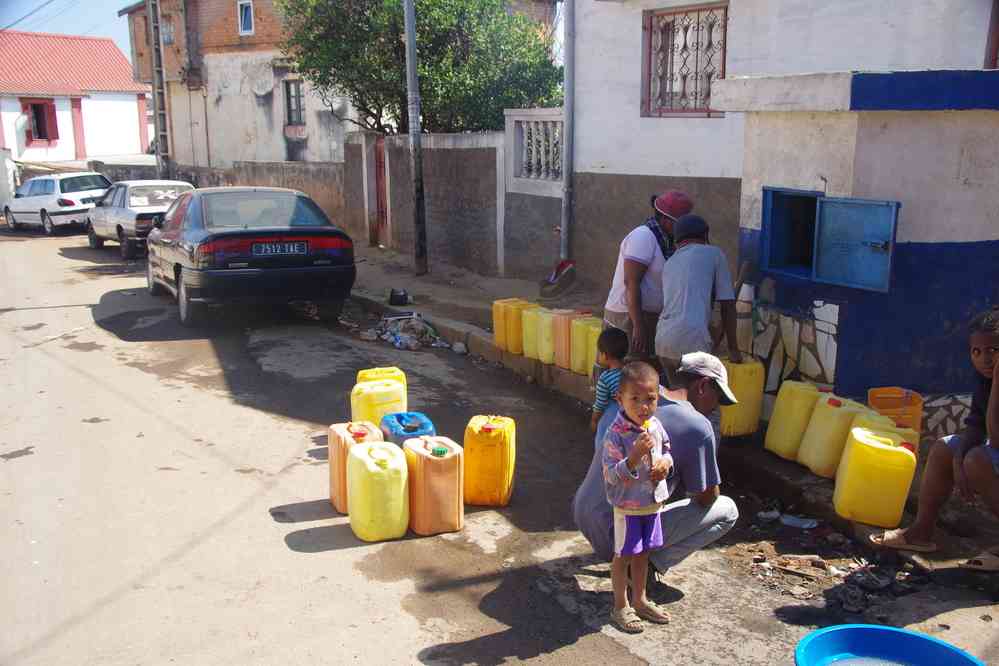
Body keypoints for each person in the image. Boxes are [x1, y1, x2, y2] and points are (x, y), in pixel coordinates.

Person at [572, 351, 740, 577]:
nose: (715, 408)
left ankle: (635, 562)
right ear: (703, 386)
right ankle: (644, 566)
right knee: (727, 509)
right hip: (615, 535)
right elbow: (707, 497)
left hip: (585, 515)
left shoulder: (635, 398)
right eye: (717, 398)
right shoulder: (698, 426)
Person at [870, 307, 999, 571]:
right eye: (976, 351)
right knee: (944, 448)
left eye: (993, 350)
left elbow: (995, 439)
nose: (984, 359)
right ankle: (921, 532)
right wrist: (958, 460)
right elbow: (975, 425)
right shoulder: (983, 379)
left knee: (978, 459)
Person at [601, 362, 673, 633]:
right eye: (635, 399)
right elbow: (610, 474)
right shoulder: (616, 434)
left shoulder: (655, 424)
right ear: (620, 398)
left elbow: (667, 449)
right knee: (624, 555)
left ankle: (640, 599)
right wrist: (632, 458)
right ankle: (620, 605)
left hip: (651, 503)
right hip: (628, 507)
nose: (644, 406)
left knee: (643, 553)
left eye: (650, 399)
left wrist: (666, 463)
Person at [603, 190, 694, 360]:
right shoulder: (643, 237)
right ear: (666, 220)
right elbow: (631, 283)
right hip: (628, 316)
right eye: (680, 223)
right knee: (626, 374)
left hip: (650, 317)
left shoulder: (668, 240)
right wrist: (638, 325)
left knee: (646, 374)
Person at [655, 214, 742, 386]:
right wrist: (733, 348)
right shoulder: (714, 254)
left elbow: (683, 306)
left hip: (663, 342)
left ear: (677, 240)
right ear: (705, 236)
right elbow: (728, 305)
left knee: (678, 398)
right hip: (692, 343)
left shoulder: (669, 263)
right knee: (699, 403)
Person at [591, 328, 628, 431]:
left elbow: (600, 405)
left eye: (599, 352)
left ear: (605, 355)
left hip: (616, 420)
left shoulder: (605, 379)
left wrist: (594, 421)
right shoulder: (631, 370)